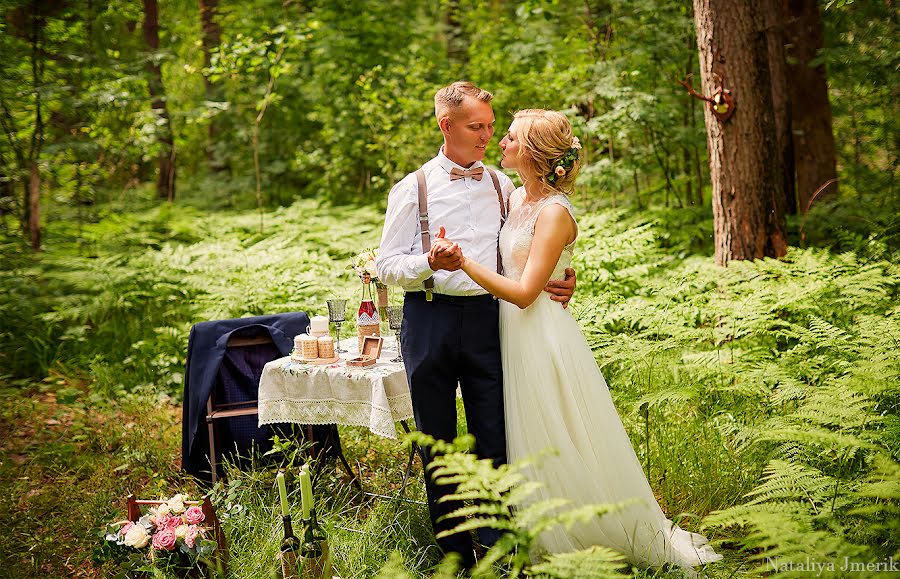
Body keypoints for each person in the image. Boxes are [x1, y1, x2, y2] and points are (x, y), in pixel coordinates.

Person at [430, 109, 723, 573]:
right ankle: (534, 519)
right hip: (510, 332)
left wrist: (463, 263)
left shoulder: (554, 211)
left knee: (557, 428)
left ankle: (580, 526)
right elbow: (528, 264)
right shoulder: (514, 197)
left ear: (530, 151)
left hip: (540, 334)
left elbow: (527, 292)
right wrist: (564, 274)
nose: (499, 142)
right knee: (527, 429)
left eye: (509, 137)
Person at [375, 82, 576, 569]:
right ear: (447, 125)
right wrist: (427, 260)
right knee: (437, 442)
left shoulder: (502, 186)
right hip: (429, 319)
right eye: (476, 126)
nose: (487, 135)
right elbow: (386, 266)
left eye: (491, 126)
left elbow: (528, 250)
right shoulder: (413, 188)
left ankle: (497, 544)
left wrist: (564, 278)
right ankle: (454, 553)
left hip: (492, 320)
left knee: (495, 433)